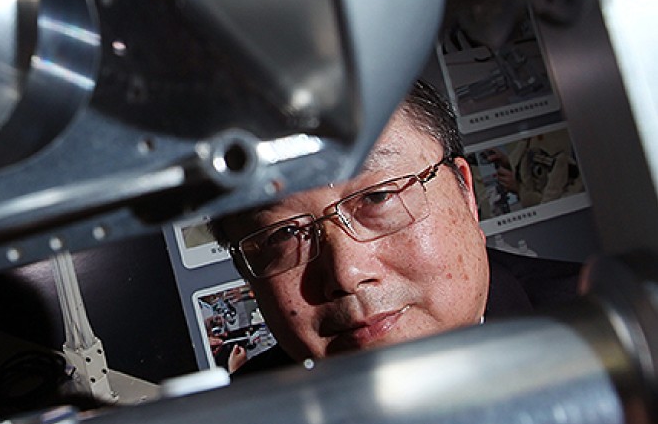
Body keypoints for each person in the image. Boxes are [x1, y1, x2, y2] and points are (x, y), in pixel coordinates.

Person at [209, 80, 581, 372]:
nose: (347, 273)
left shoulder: (610, 334)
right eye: (284, 234)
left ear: (466, 192)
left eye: (378, 198)